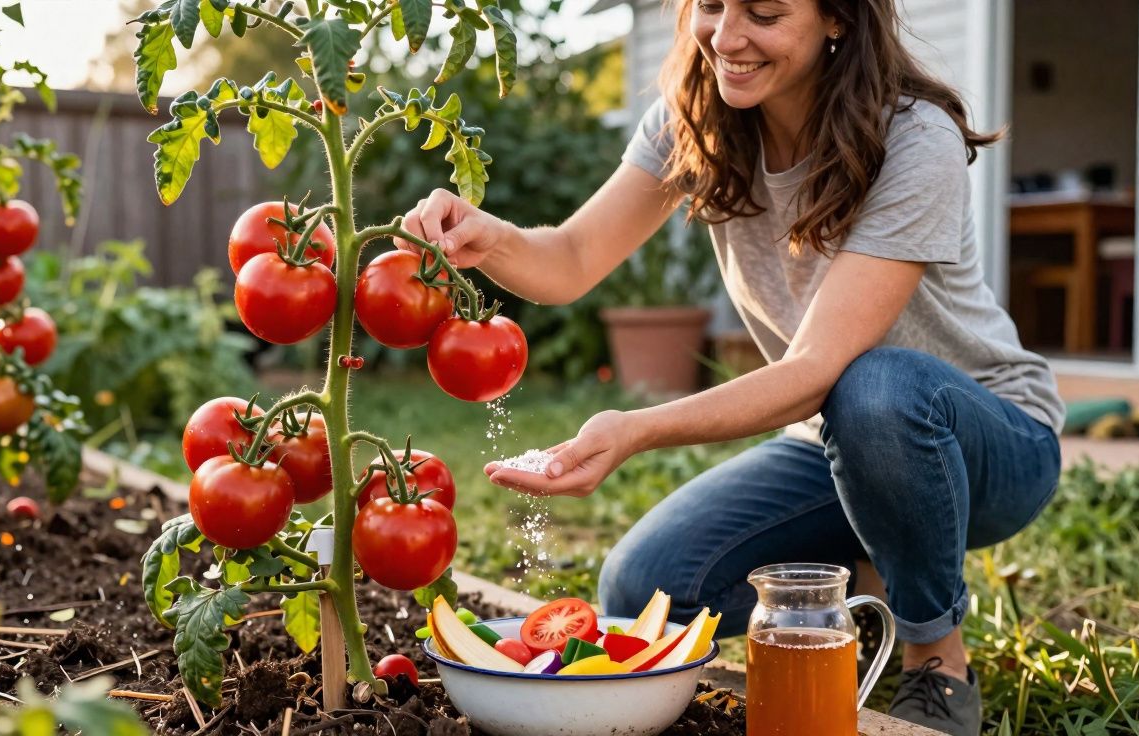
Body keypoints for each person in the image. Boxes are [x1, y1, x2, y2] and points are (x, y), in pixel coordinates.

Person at [393, 1, 1062, 732]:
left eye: (765, 13)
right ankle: (867, 582)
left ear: (838, 18)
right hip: (833, 443)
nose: (727, 36)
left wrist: (636, 429)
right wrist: (489, 239)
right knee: (645, 585)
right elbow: (574, 260)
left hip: (987, 444)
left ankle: (936, 661)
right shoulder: (696, 119)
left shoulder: (912, 136)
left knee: (876, 388)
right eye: (711, 5)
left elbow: (816, 369)